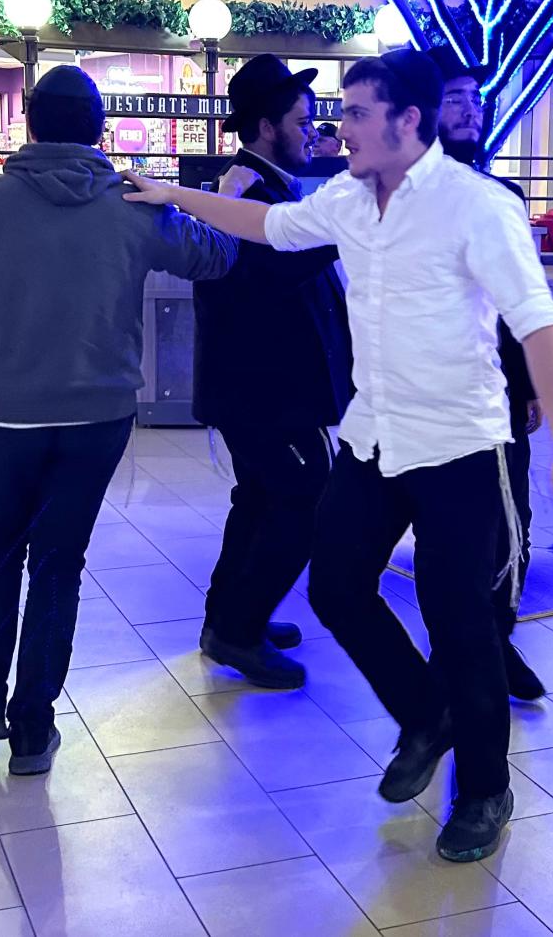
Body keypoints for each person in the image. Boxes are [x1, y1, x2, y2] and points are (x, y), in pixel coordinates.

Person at [122, 47, 553, 863]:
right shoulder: (346, 199)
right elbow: (264, 226)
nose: (339, 130)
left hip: (458, 443)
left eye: (355, 115)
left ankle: (484, 790)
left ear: (407, 122)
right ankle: (426, 715)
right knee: (337, 587)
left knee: (462, 622)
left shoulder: (476, 206)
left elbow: (537, 324)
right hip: (374, 439)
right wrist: (172, 193)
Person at [0, 65, 236, 775]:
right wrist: (212, 201)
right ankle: (33, 728)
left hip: (6, 413)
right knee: (59, 562)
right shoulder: (133, 204)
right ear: (99, 131)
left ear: (30, 126)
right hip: (99, 415)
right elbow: (215, 258)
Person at [194, 54, 353, 689]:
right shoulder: (247, 193)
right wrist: (344, 228)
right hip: (269, 392)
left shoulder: (266, 186)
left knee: (259, 499)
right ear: (265, 127)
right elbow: (270, 274)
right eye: (302, 119)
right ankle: (238, 630)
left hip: (267, 389)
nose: (314, 131)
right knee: (309, 501)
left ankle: (228, 620)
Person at [430, 45, 545, 701]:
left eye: (475, 100)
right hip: (433, 396)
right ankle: (467, 651)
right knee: (454, 531)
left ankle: (498, 638)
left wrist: (529, 381)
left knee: (513, 518)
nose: (470, 111)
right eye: (455, 100)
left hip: (499, 390)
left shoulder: (504, 194)